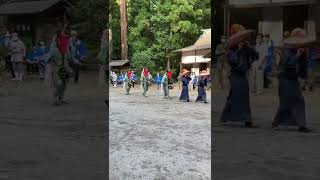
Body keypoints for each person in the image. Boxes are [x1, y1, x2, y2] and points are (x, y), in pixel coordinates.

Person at [220, 38, 258, 127]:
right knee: (234, 96)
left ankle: (247, 118)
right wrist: (239, 51)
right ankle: (227, 116)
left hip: (243, 76)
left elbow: (255, 56)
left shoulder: (246, 50)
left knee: (244, 97)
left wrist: (249, 47)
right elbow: (234, 61)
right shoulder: (231, 52)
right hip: (235, 76)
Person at [272, 47, 310, 132]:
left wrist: (304, 79)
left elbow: (303, 66)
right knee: (285, 104)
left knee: (299, 100)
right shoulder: (285, 51)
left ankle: (301, 125)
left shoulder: (301, 51)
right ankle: (276, 121)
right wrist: (297, 56)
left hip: (294, 80)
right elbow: (285, 64)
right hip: (285, 80)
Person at [46, 32, 71, 105]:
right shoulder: (53, 49)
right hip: (56, 68)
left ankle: (61, 98)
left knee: (64, 84)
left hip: (64, 68)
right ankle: (56, 99)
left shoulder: (65, 48)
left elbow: (69, 57)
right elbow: (48, 59)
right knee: (58, 84)